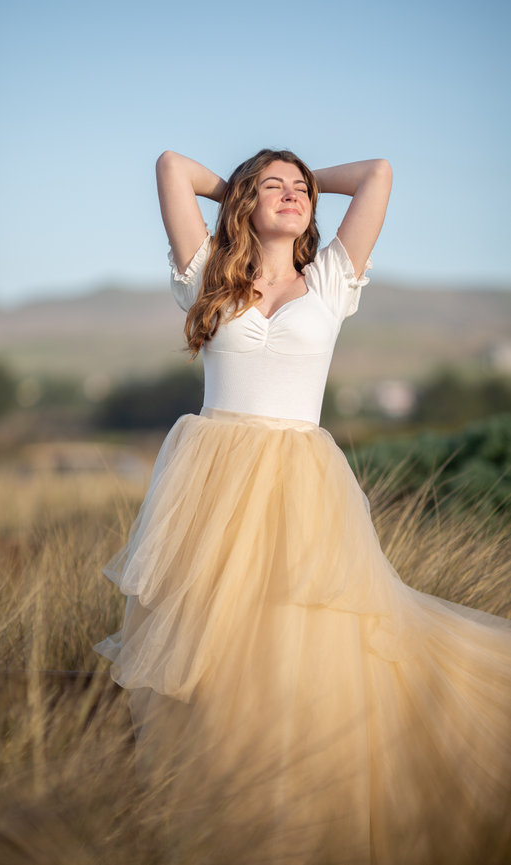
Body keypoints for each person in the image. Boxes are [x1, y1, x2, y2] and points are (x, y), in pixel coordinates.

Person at [94, 149, 511, 865]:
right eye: (273, 188)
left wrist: (300, 181)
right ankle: (225, 826)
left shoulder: (330, 280)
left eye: (301, 190)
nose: (291, 196)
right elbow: (170, 166)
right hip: (211, 494)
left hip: (301, 491)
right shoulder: (207, 273)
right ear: (244, 203)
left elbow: (377, 173)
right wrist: (241, 191)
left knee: (297, 656)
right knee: (219, 667)